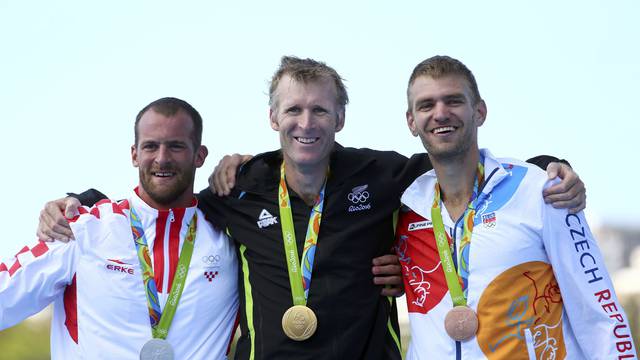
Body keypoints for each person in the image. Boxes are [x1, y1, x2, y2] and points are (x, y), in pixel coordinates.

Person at [37, 57, 585, 359]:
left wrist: (548, 165)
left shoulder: (383, 173)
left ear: (340, 118)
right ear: (273, 120)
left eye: (320, 109)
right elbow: (164, 200)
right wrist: (81, 201)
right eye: (293, 110)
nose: (307, 123)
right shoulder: (241, 186)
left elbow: (459, 159)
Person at [395, 55, 636, 359]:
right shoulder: (405, 209)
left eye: (453, 101)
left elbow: (599, 312)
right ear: (411, 121)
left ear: (479, 111)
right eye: (426, 105)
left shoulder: (542, 191)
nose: (440, 113)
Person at [0, 98, 239, 359]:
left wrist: (248, 166)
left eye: (176, 146)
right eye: (150, 146)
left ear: (200, 155)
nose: (162, 158)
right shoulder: (81, 229)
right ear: (135, 155)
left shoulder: (230, 236)